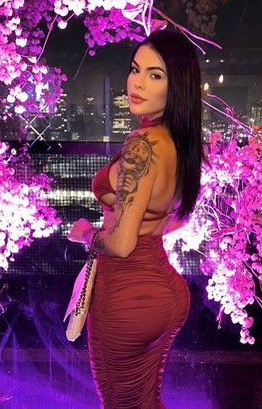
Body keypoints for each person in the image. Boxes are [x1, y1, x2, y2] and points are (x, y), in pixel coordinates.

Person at [67, 29, 203, 409]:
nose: (137, 83)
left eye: (154, 75)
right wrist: (143, 225)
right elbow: (177, 219)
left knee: (120, 402)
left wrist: (86, 233)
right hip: (166, 291)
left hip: (127, 296)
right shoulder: (181, 143)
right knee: (147, 401)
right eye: (135, 69)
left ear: (176, 86)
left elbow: (122, 245)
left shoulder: (143, 146)